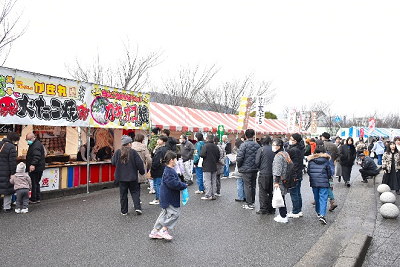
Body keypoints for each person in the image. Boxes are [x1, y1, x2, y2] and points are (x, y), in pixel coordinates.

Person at [149, 151, 187, 240]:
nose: (176, 161)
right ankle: (164, 230)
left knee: (164, 213)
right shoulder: (170, 171)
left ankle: (155, 231)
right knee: (175, 214)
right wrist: (183, 185)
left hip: (165, 196)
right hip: (169, 197)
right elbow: (173, 184)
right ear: (171, 160)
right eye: (175, 159)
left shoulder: (168, 170)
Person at [112, 135, 145, 215]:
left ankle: (124, 211)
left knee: (123, 194)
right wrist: (142, 172)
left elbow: (113, 162)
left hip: (121, 177)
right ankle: (137, 208)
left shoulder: (118, 152)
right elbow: (139, 163)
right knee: (135, 192)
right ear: (129, 144)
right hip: (132, 176)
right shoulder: (133, 152)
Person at [307, 145, 332, 225]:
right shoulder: (326, 160)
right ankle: (322, 214)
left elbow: (308, 171)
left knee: (316, 197)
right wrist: (328, 178)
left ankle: (318, 212)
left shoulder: (311, 160)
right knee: (323, 198)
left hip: (314, 181)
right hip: (324, 181)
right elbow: (329, 172)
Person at [236, 129, 260, 210]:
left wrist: (239, 166)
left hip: (245, 169)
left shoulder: (243, 145)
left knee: (247, 186)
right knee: (253, 186)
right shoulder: (257, 145)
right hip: (255, 168)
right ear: (253, 136)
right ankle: (252, 202)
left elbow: (239, 158)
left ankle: (249, 203)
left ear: (245, 136)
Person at [286, 133, 305, 218]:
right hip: (299, 173)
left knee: (294, 193)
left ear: (296, 141)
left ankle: (295, 211)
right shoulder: (301, 148)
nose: (290, 140)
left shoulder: (293, 150)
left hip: (294, 174)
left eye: (292, 139)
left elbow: (287, 158)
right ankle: (298, 210)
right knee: (298, 193)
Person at [255, 135, 275, 214]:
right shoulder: (273, 149)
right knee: (270, 191)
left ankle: (263, 208)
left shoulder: (261, 149)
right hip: (272, 172)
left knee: (263, 191)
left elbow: (257, 162)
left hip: (263, 173)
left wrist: (260, 168)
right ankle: (271, 208)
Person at [0, 131, 20, 212]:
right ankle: (6, 207)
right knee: (7, 189)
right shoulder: (11, 147)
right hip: (6, 171)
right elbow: (12, 162)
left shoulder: (0, 144)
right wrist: (13, 173)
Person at [271, 138, 289, 223]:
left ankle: (283, 215)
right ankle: (283, 214)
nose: (273, 147)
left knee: (280, 197)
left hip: (280, 180)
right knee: (282, 196)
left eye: (274, 145)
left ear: (279, 146)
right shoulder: (285, 153)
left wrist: (276, 182)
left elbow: (277, 170)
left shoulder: (278, 156)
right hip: (285, 178)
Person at [25, 132, 46, 204]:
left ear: (33, 138)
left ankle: (33, 198)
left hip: (36, 168)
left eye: (29, 139)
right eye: (27, 139)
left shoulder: (35, 146)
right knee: (36, 183)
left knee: (34, 183)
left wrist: (32, 164)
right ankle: (37, 198)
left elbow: (36, 156)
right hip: (39, 167)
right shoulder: (36, 144)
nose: (28, 141)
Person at [131, 133, 152, 201]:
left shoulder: (130, 146)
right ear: (142, 139)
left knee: (132, 186)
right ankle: (137, 200)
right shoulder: (143, 147)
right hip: (141, 167)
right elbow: (148, 159)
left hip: (131, 167)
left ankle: (135, 201)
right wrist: (148, 167)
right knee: (138, 185)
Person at [199, 134, 220, 200]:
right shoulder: (216, 147)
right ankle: (214, 194)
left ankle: (208, 195)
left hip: (206, 165)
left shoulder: (205, 146)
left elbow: (202, 154)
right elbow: (218, 156)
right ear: (213, 139)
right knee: (213, 181)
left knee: (207, 181)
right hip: (214, 165)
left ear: (207, 138)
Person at [149, 135, 168, 205]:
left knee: (157, 184)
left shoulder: (160, 150)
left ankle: (158, 199)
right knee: (160, 184)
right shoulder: (163, 149)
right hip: (162, 168)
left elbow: (157, 161)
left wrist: (153, 168)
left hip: (158, 169)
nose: (158, 141)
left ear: (163, 141)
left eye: (160, 140)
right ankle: (161, 198)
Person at [233, 138, 246, 202]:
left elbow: (238, 161)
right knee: (245, 184)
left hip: (239, 169)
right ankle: (245, 196)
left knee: (240, 184)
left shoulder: (239, 152)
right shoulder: (246, 149)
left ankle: (241, 197)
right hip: (246, 170)